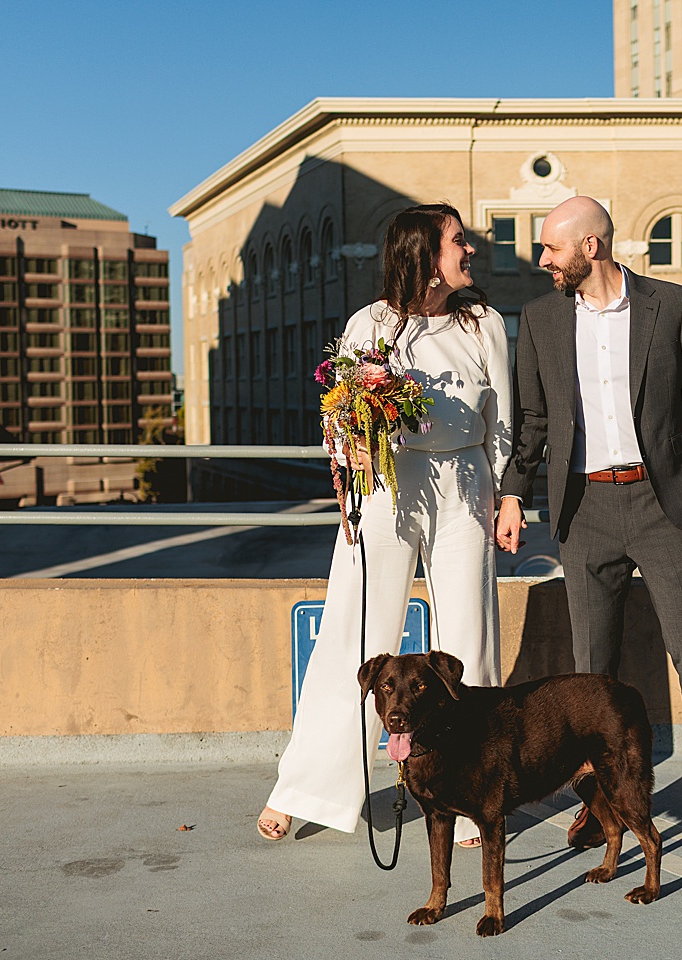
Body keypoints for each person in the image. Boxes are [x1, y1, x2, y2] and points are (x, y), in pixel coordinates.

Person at [495, 195, 682, 842]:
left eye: (552, 248)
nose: (542, 260)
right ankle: (601, 799)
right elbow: (531, 421)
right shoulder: (539, 319)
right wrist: (511, 493)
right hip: (583, 510)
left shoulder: (672, 305)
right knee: (592, 673)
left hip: (660, 504)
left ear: (592, 247)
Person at [258, 203, 512, 848]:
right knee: (355, 636)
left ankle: (468, 793)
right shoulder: (369, 325)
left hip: (465, 483)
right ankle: (305, 787)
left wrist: (506, 494)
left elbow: (504, 417)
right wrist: (357, 445)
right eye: (458, 242)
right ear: (425, 254)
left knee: (468, 642)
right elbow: (340, 423)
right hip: (389, 489)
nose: (470, 251)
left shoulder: (482, 323)